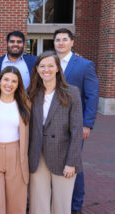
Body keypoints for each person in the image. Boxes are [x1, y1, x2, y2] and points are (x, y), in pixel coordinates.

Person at [28, 50, 83, 214]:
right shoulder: (31, 93)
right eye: (42, 66)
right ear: (37, 69)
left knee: (62, 205)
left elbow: (77, 130)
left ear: (58, 68)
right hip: (37, 155)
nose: (46, 69)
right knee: (38, 205)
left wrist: (71, 162)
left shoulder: (71, 92)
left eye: (51, 65)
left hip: (63, 156)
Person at [53, 28, 99, 214]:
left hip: (75, 124)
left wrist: (87, 124)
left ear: (72, 42)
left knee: (73, 162)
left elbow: (92, 95)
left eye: (65, 39)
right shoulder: (49, 62)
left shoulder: (84, 64)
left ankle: (76, 205)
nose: (61, 43)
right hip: (51, 124)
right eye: (57, 40)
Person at [0, 66, 31, 214]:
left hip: (16, 154)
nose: (9, 84)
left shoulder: (25, 104)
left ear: (18, 85)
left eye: (14, 81)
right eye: (6, 79)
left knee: (16, 204)